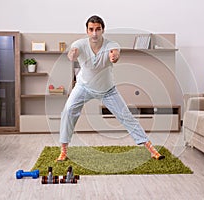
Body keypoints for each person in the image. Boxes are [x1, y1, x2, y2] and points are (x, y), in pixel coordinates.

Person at [57, 15, 165, 161]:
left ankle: (151, 149)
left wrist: (114, 57)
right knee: (68, 110)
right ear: (87, 31)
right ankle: (63, 151)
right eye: (91, 29)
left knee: (126, 115)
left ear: (103, 30)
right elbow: (71, 55)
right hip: (83, 87)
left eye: (98, 29)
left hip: (107, 90)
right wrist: (72, 54)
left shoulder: (110, 45)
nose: (94, 33)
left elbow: (115, 54)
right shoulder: (80, 44)